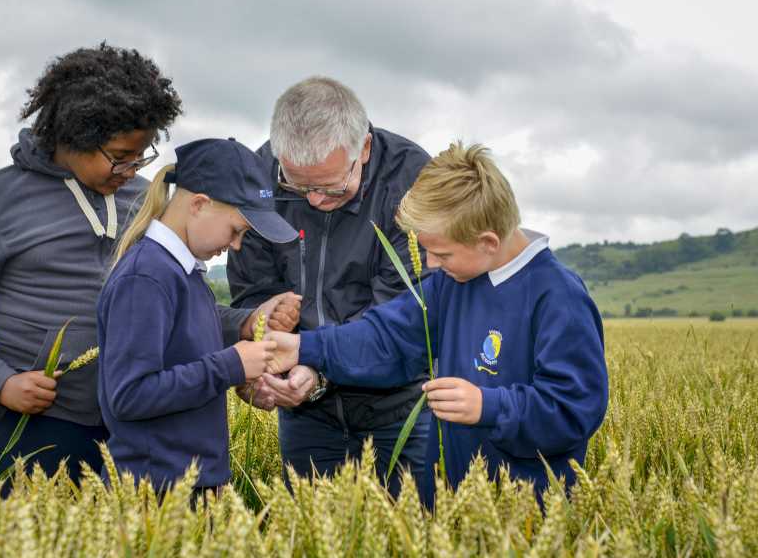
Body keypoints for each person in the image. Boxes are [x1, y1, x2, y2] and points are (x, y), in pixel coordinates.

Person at [0, 43, 289, 487]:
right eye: (120, 156)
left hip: (143, 432)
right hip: (43, 426)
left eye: (142, 156)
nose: (131, 170)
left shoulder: (145, 201)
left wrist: (245, 324)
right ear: (73, 135)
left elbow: (167, 311)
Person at [265, 142, 609, 505]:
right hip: (452, 505)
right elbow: (387, 338)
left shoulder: (558, 296)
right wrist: (305, 347)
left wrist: (486, 406)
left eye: (441, 253)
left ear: (488, 241)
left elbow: (575, 408)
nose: (429, 262)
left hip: (529, 512)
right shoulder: (453, 282)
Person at [227, 76, 432, 494]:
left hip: (399, 407)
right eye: (298, 187)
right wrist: (260, 361)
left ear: (366, 149)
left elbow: (400, 315)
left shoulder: (414, 181)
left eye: (332, 186)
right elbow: (251, 288)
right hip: (305, 416)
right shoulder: (258, 176)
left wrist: (317, 368)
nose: (315, 201)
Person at [97, 138, 298, 494]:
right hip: (155, 494)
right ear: (199, 204)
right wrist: (231, 366)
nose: (235, 246)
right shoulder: (146, 276)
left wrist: (249, 330)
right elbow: (129, 395)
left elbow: (188, 343)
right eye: (236, 230)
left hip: (188, 485)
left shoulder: (182, 272)